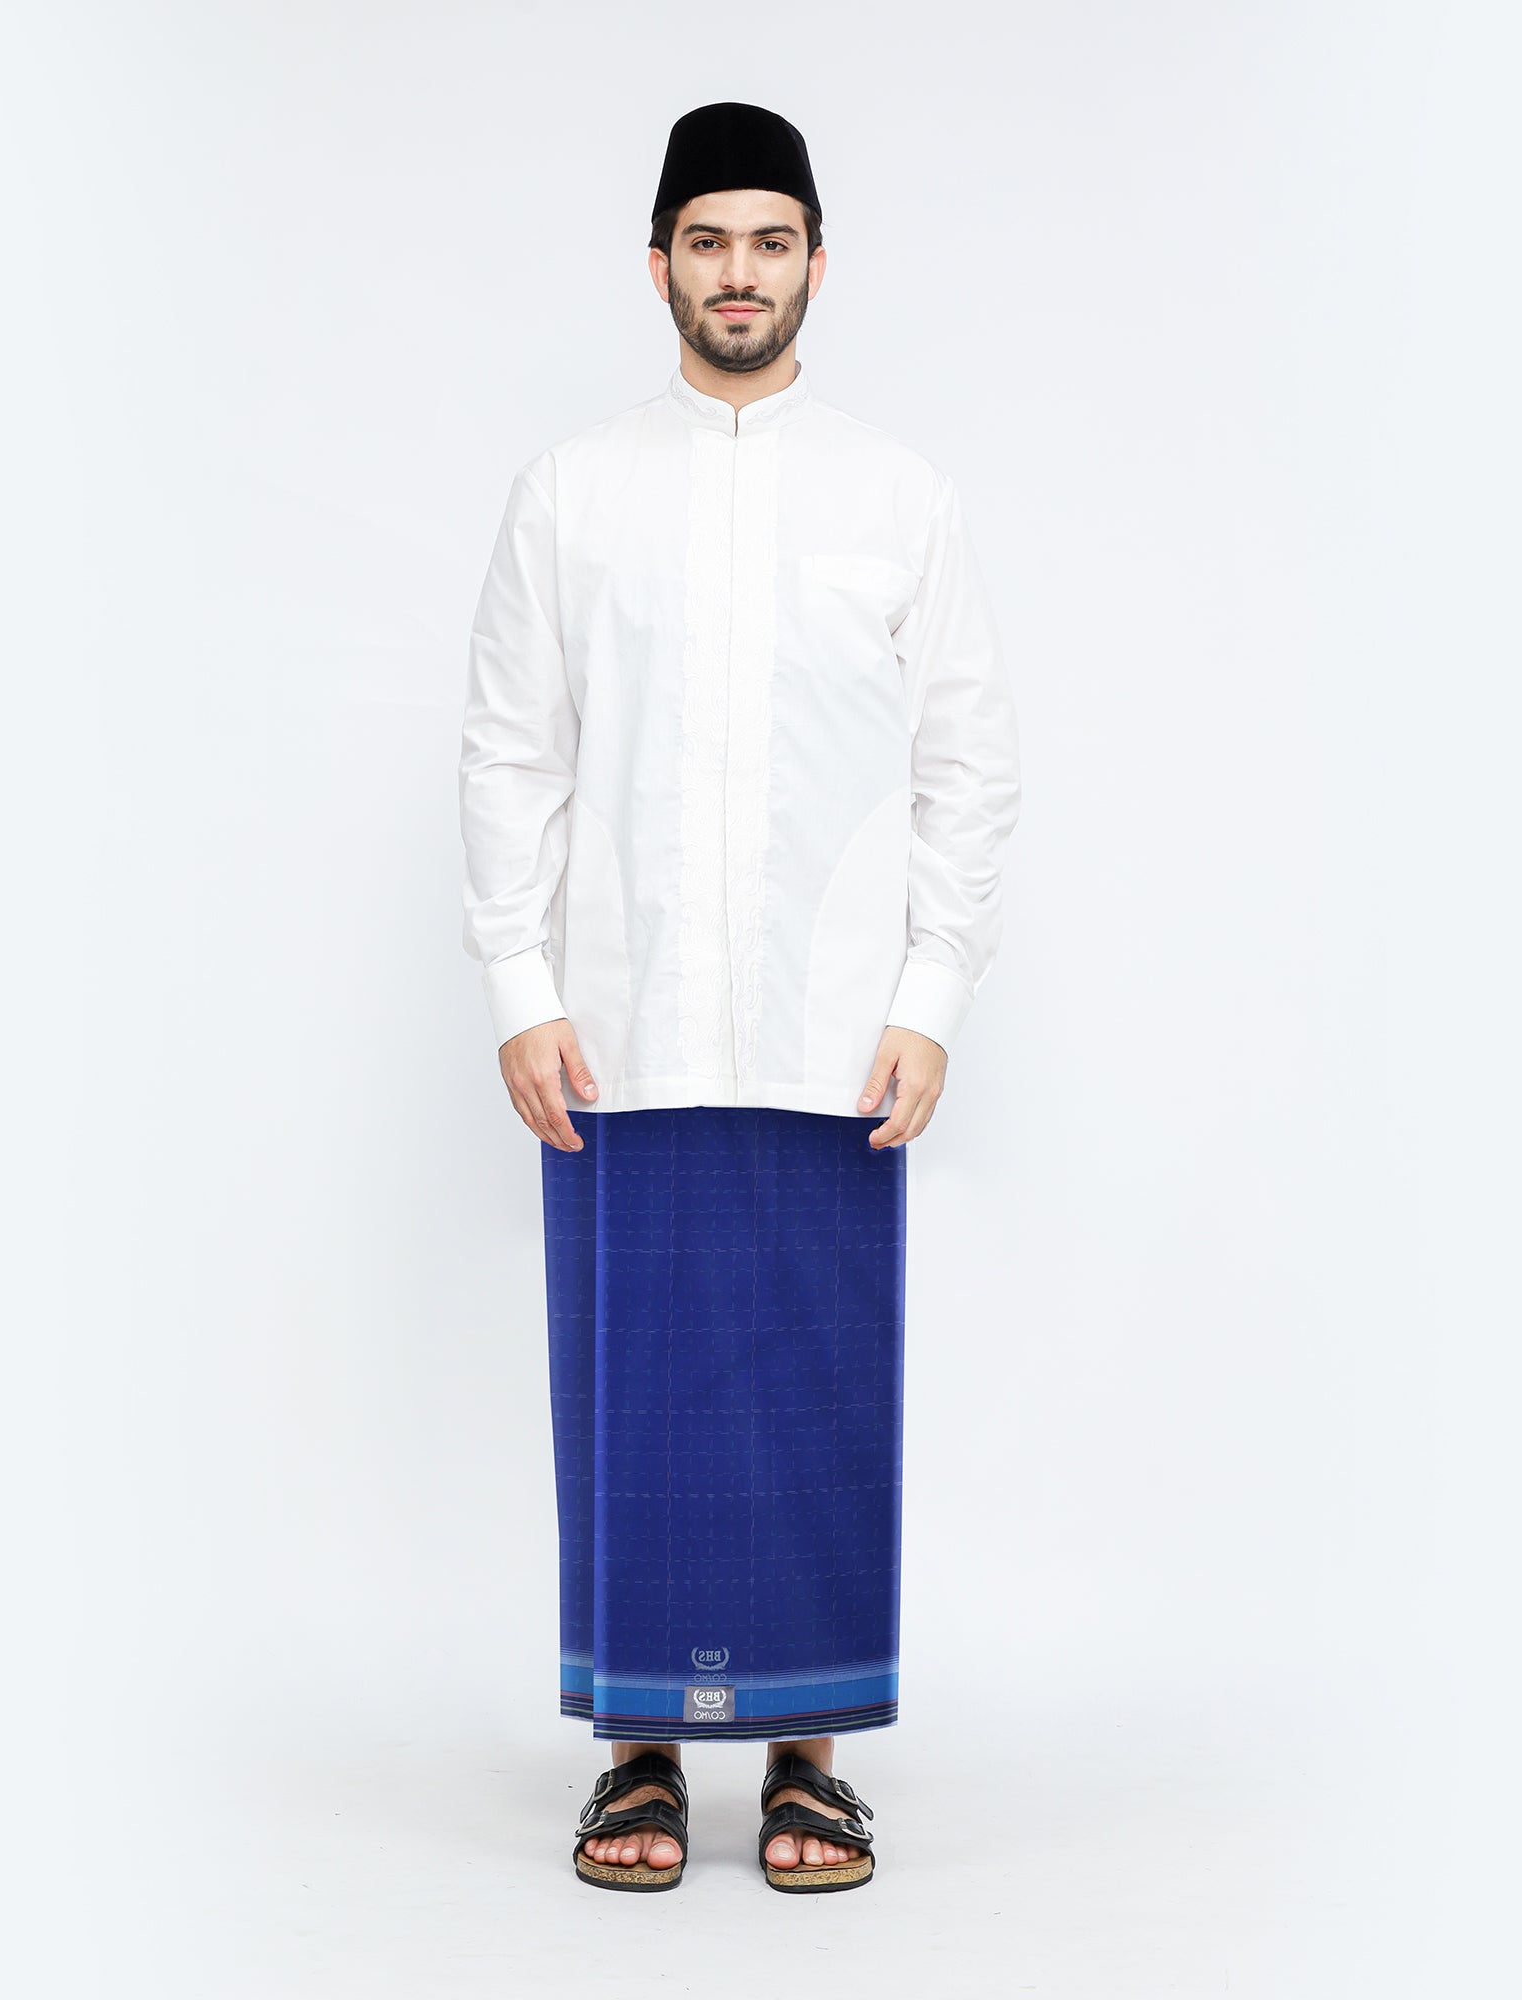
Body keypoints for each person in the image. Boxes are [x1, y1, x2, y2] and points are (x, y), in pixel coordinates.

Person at [457, 101, 1021, 1894]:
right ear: (658, 265)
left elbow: (968, 765)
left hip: (832, 1030)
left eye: (771, 240)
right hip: (617, 1024)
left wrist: (931, 991)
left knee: (817, 1387)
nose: (740, 272)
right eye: (708, 240)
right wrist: (521, 981)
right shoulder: (573, 492)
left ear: (818, 264)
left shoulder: (897, 496)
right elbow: (510, 751)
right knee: (631, 1395)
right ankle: (635, 1748)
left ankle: (807, 1761)